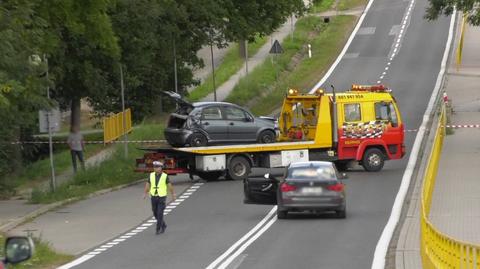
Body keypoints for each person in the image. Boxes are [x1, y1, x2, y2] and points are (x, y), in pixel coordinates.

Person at [144, 161, 176, 235]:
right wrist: (145, 193)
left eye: (157, 167)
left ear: (161, 168)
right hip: (153, 196)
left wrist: (173, 194)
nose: (155, 168)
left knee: (160, 213)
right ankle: (163, 225)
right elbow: (147, 184)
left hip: (162, 197)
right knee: (155, 212)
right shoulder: (151, 175)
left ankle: (158, 228)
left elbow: (170, 186)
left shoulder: (165, 176)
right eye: (154, 167)